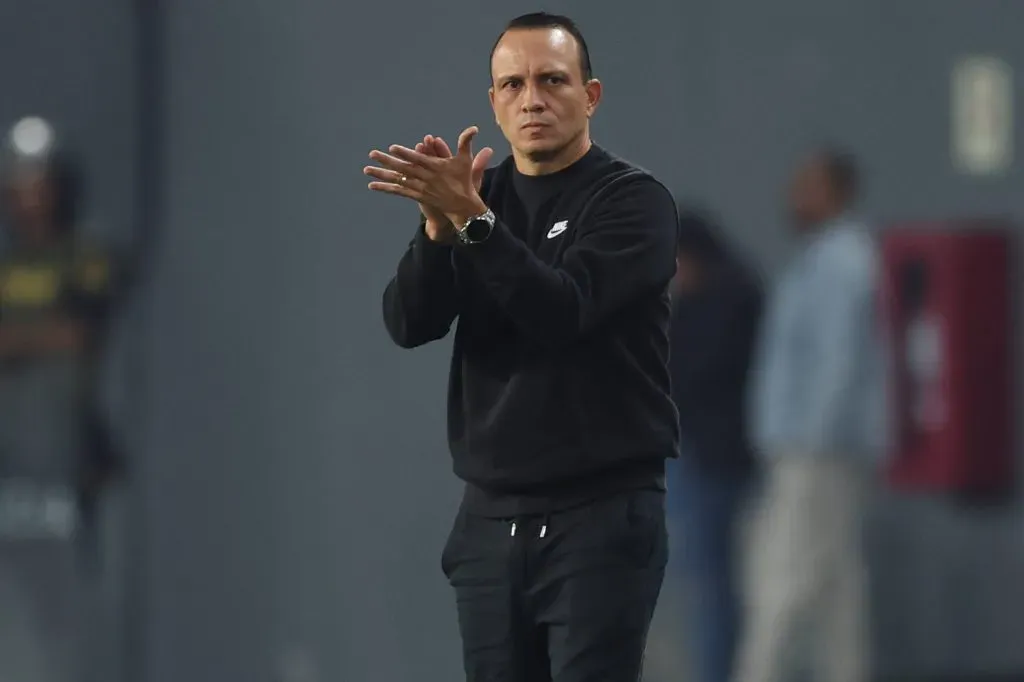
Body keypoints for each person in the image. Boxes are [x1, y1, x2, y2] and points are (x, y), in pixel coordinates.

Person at [367, 12, 679, 682]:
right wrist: (435, 231)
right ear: (494, 103)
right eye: (511, 85)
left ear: (589, 95)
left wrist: (473, 221)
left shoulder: (633, 202)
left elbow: (559, 310)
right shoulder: (480, 200)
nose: (531, 98)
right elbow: (408, 322)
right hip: (490, 520)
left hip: (598, 518)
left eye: (551, 80)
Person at [733, 149, 885, 682]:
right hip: (814, 449)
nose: (795, 197)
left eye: (808, 187)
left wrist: (811, 439)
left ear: (838, 193)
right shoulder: (820, 258)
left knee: (784, 574)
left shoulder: (843, 263)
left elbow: (839, 361)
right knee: (838, 582)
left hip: (815, 452)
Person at [0, 117, 123, 682]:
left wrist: (19, 339)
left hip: (76, 465)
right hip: (14, 464)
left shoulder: (84, 254)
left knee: (80, 619)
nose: (31, 200)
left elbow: (79, 332)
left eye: (39, 183)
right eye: (19, 187)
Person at [666, 209, 762, 682]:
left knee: (714, 584)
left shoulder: (727, 297)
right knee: (711, 581)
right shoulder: (709, 296)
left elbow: (690, 374)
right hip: (703, 456)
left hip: (716, 460)